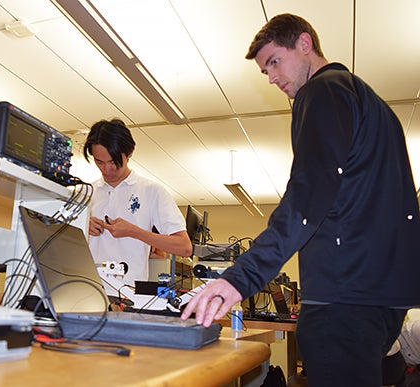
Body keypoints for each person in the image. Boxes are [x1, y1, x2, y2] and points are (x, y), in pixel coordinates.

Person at [181, 13, 420, 387]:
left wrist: (239, 279)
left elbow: (308, 195)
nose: (273, 77)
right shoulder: (378, 109)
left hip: (342, 300)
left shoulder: (322, 91)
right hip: (383, 299)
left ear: (304, 44)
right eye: (265, 72)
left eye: (275, 61)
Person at [83, 118, 192, 298]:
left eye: (113, 162)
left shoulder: (152, 191)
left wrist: (134, 231)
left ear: (130, 153)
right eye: (99, 162)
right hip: (85, 293)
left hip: (127, 298)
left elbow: (184, 247)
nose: (107, 169)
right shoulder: (84, 193)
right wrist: (81, 226)